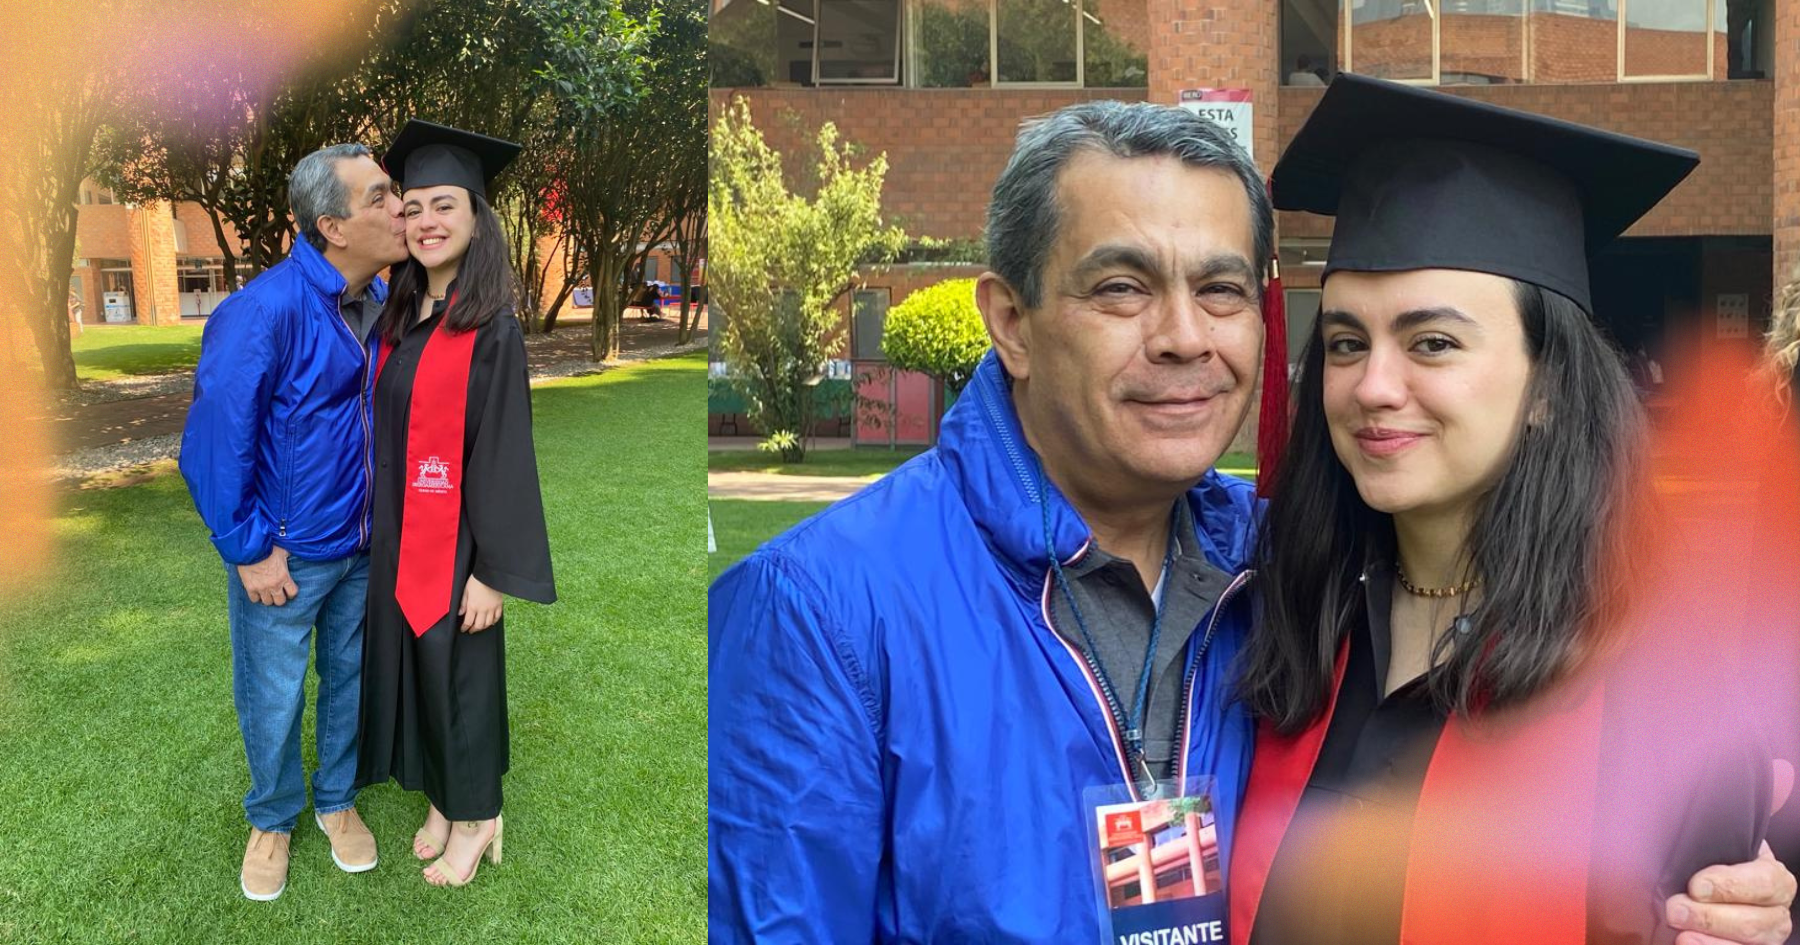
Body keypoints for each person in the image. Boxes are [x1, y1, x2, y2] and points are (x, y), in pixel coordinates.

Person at [707, 99, 1792, 943]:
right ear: (1011, 321)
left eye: (1222, 291)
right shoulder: (825, 610)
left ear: (1549, 380)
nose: (1185, 337)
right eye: (1123, 287)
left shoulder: (1261, 570)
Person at [1230, 74, 1796, 945]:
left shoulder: (1666, 692)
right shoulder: (1276, 621)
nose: (1373, 386)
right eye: (1346, 342)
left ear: (1550, 387)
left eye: (1433, 342)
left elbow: (1727, 910)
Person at [180, 142, 408, 900]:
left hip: (359, 546)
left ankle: (336, 801)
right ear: (332, 226)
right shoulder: (263, 310)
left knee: (347, 680)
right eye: (379, 197)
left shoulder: (381, 304)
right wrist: (249, 551)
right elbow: (213, 445)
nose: (398, 206)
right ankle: (272, 816)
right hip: (286, 555)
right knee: (273, 693)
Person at [353, 120, 557, 888]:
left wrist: (493, 571)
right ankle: (441, 798)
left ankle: (476, 817)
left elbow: (503, 454)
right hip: (404, 537)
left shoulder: (493, 329)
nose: (427, 221)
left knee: (463, 679)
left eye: (446, 205)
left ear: (477, 220)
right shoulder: (400, 319)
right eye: (414, 207)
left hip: (460, 546)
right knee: (417, 669)